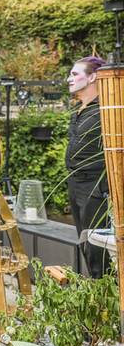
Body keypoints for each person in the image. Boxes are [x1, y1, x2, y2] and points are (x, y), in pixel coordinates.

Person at [66, 56, 110, 278]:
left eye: (75, 74)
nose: (69, 79)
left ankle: (106, 296)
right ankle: (95, 294)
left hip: (96, 185)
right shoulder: (78, 109)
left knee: (97, 247)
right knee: (84, 240)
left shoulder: (105, 109)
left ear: (93, 77)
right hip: (75, 182)